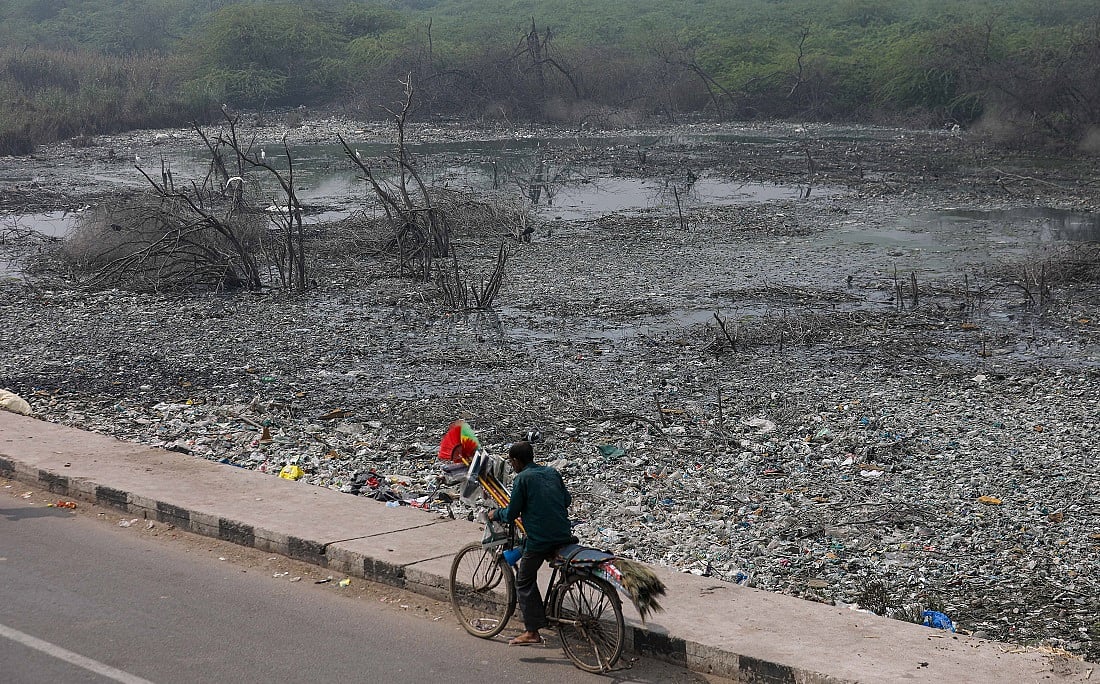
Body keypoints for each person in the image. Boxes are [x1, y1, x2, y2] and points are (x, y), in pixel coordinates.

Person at [491, 440, 575, 646]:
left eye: (511, 462)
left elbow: (511, 514)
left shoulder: (522, 479)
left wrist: (496, 513)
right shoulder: (552, 473)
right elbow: (567, 501)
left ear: (517, 461)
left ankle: (532, 632)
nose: (512, 466)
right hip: (564, 534)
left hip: (541, 540)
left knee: (524, 579)